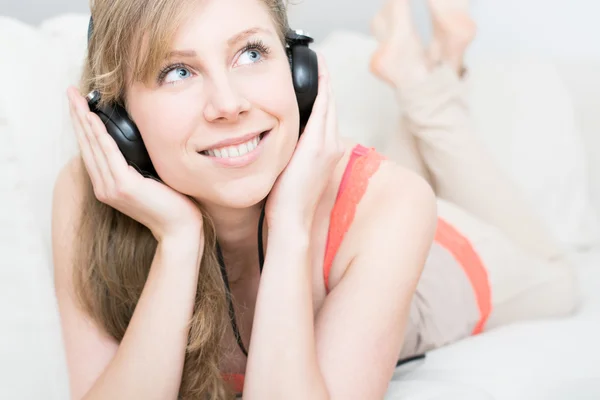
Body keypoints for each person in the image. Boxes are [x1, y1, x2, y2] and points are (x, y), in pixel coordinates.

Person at [50, 0, 577, 399]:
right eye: (178, 71)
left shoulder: (392, 204)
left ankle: (425, 81)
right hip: (362, 232)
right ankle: (426, 65)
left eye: (251, 53)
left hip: (426, 262)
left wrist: (292, 226)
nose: (228, 105)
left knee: (559, 281)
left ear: (299, 70)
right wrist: (179, 243)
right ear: (117, 120)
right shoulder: (89, 194)